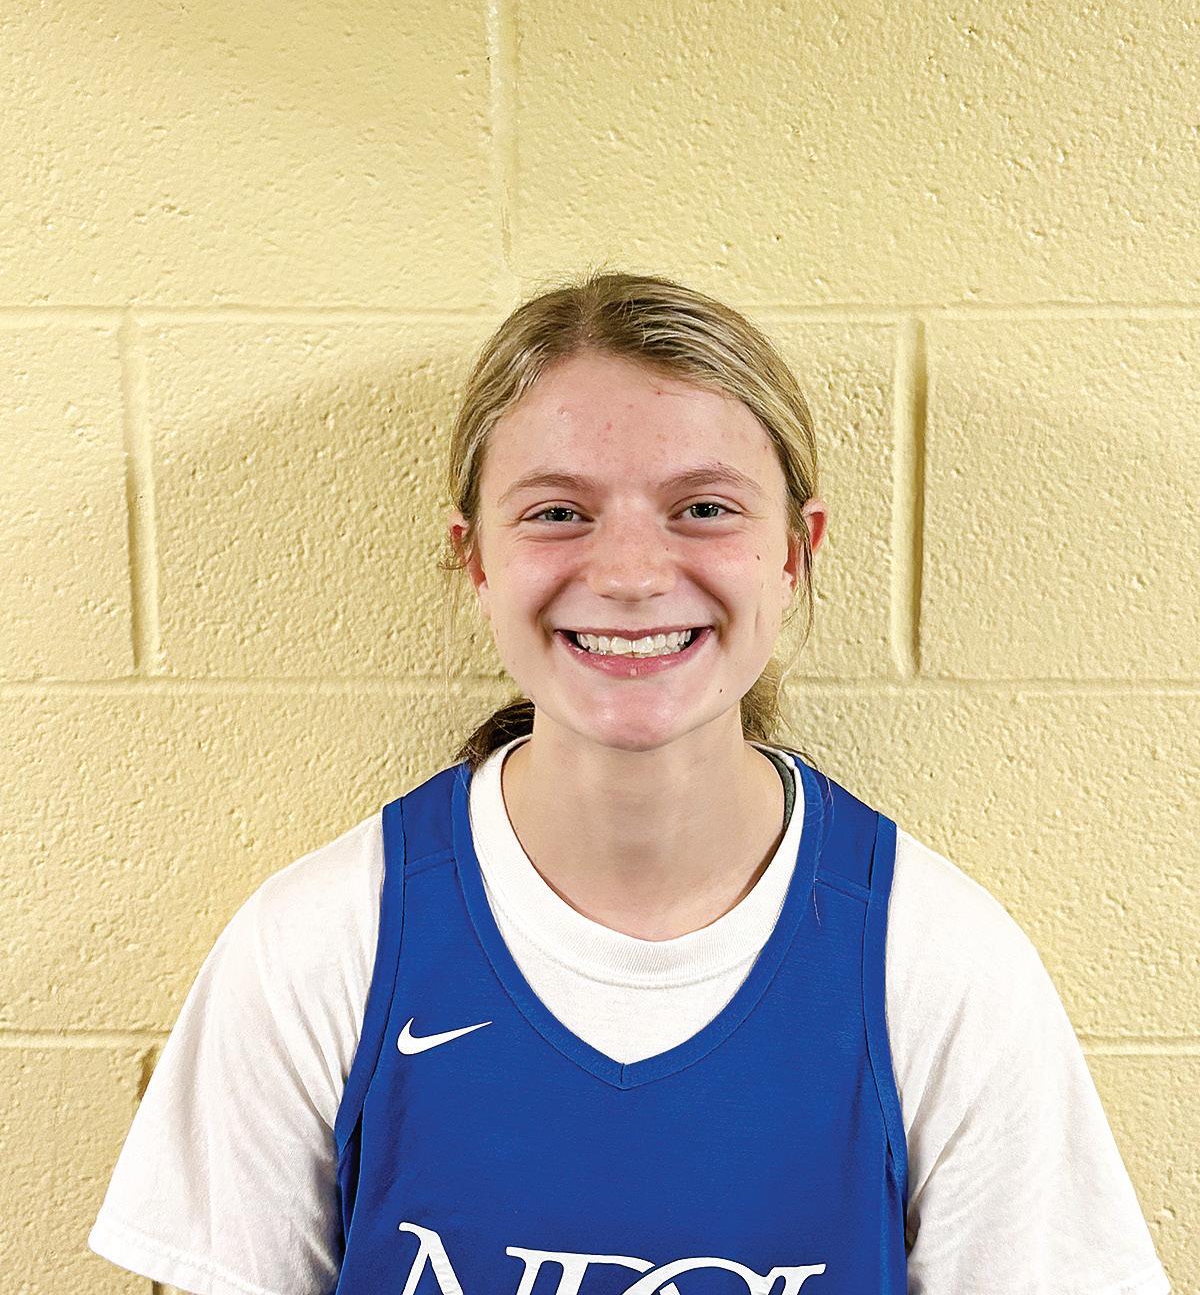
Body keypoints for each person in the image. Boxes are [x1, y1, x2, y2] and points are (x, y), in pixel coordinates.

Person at [88, 266, 1170, 1295]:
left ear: (795, 552)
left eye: (704, 508)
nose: (631, 575)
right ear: (475, 558)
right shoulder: (318, 946)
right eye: (558, 511)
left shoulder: (937, 962)